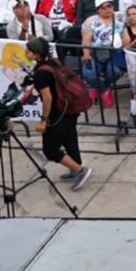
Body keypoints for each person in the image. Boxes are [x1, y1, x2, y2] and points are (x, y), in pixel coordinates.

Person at [25, 37, 92, 190]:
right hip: (69, 108)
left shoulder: (40, 74)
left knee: (50, 149)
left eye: (28, 52)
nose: (25, 54)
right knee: (69, 139)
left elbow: (47, 97)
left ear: (37, 54)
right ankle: (75, 166)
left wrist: (43, 120)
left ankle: (80, 171)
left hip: (57, 113)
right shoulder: (54, 62)